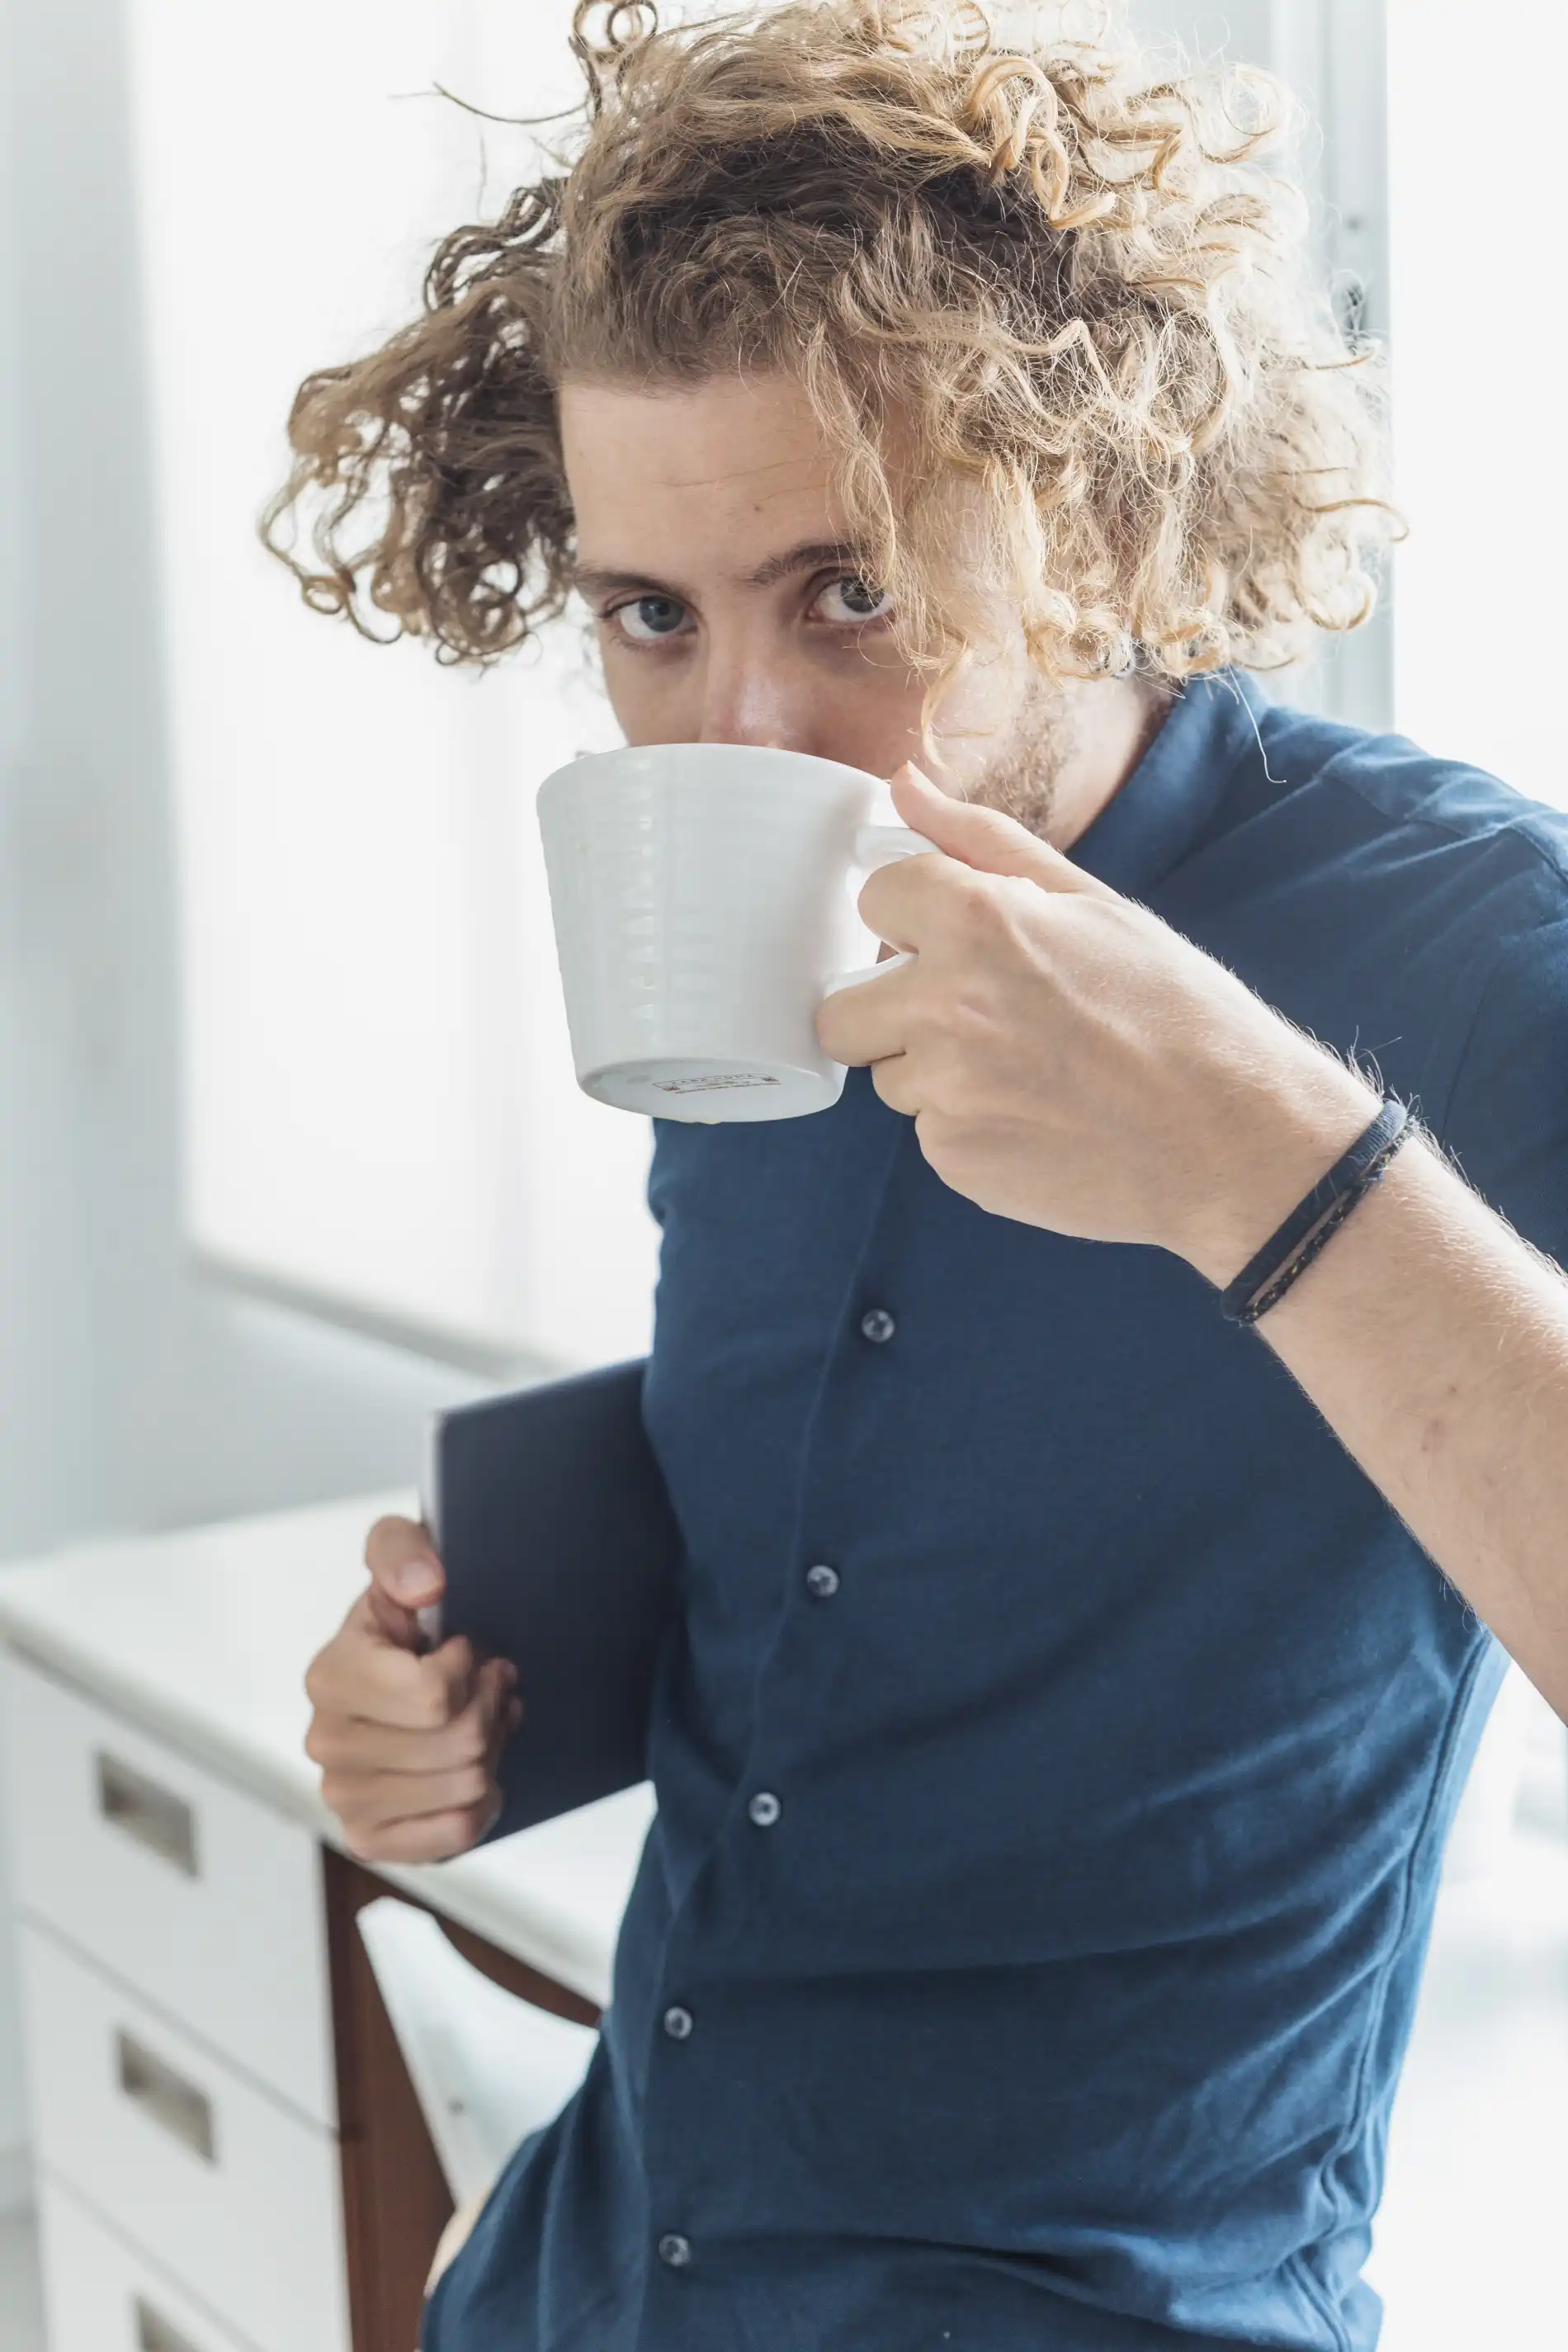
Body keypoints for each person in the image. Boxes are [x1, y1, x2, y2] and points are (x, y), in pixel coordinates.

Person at [280, 4, 1568, 2346]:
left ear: (1097, 513)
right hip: (602, 2267)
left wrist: (1261, 1158)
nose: (740, 732)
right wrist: (472, 1702)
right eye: (650, 616)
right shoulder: (736, 918)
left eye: (847, 590)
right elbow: (854, 1533)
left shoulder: (1478, 941)